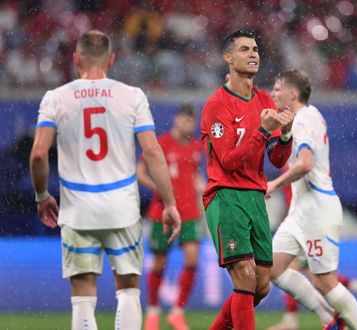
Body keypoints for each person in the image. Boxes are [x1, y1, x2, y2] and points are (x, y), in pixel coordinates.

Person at [29, 30, 181, 330]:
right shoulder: (132, 96)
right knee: (128, 291)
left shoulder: (55, 98)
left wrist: (41, 196)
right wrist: (170, 202)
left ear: (76, 59)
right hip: (122, 208)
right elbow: (151, 151)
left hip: (78, 211)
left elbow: (37, 155)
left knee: (83, 297)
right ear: (111, 60)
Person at [200, 29, 294, 330]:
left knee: (261, 286)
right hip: (225, 195)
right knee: (245, 275)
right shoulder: (217, 106)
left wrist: (286, 134)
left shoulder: (265, 100)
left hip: (255, 197)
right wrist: (263, 131)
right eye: (244, 49)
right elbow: (227, 161)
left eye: (255, 49)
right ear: (228, 58)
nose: (253, 54)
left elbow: (277, 159)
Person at [266, 69, 357, 330]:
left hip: (317, 208)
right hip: (300, 209)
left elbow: (306, 163)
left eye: (277, 89)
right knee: (272, 268)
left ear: (292, 94)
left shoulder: (303, 119)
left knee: (325, 282)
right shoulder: (307, 117)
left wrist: (275, 183)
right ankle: (331, 321)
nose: (272, 93)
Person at [139, 104, 204, 330]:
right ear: (176, 120)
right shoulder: (161, 144)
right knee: (159, 263)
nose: (189, 125)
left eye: (192, 121)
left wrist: (202, 187)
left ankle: (177, 312)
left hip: (189, 213)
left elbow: (194, 174)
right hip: (163, 212)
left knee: (193, 259)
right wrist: (159, 189)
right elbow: (140, 172)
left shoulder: (197, 146)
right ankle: (153, 313)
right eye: (185, 120)